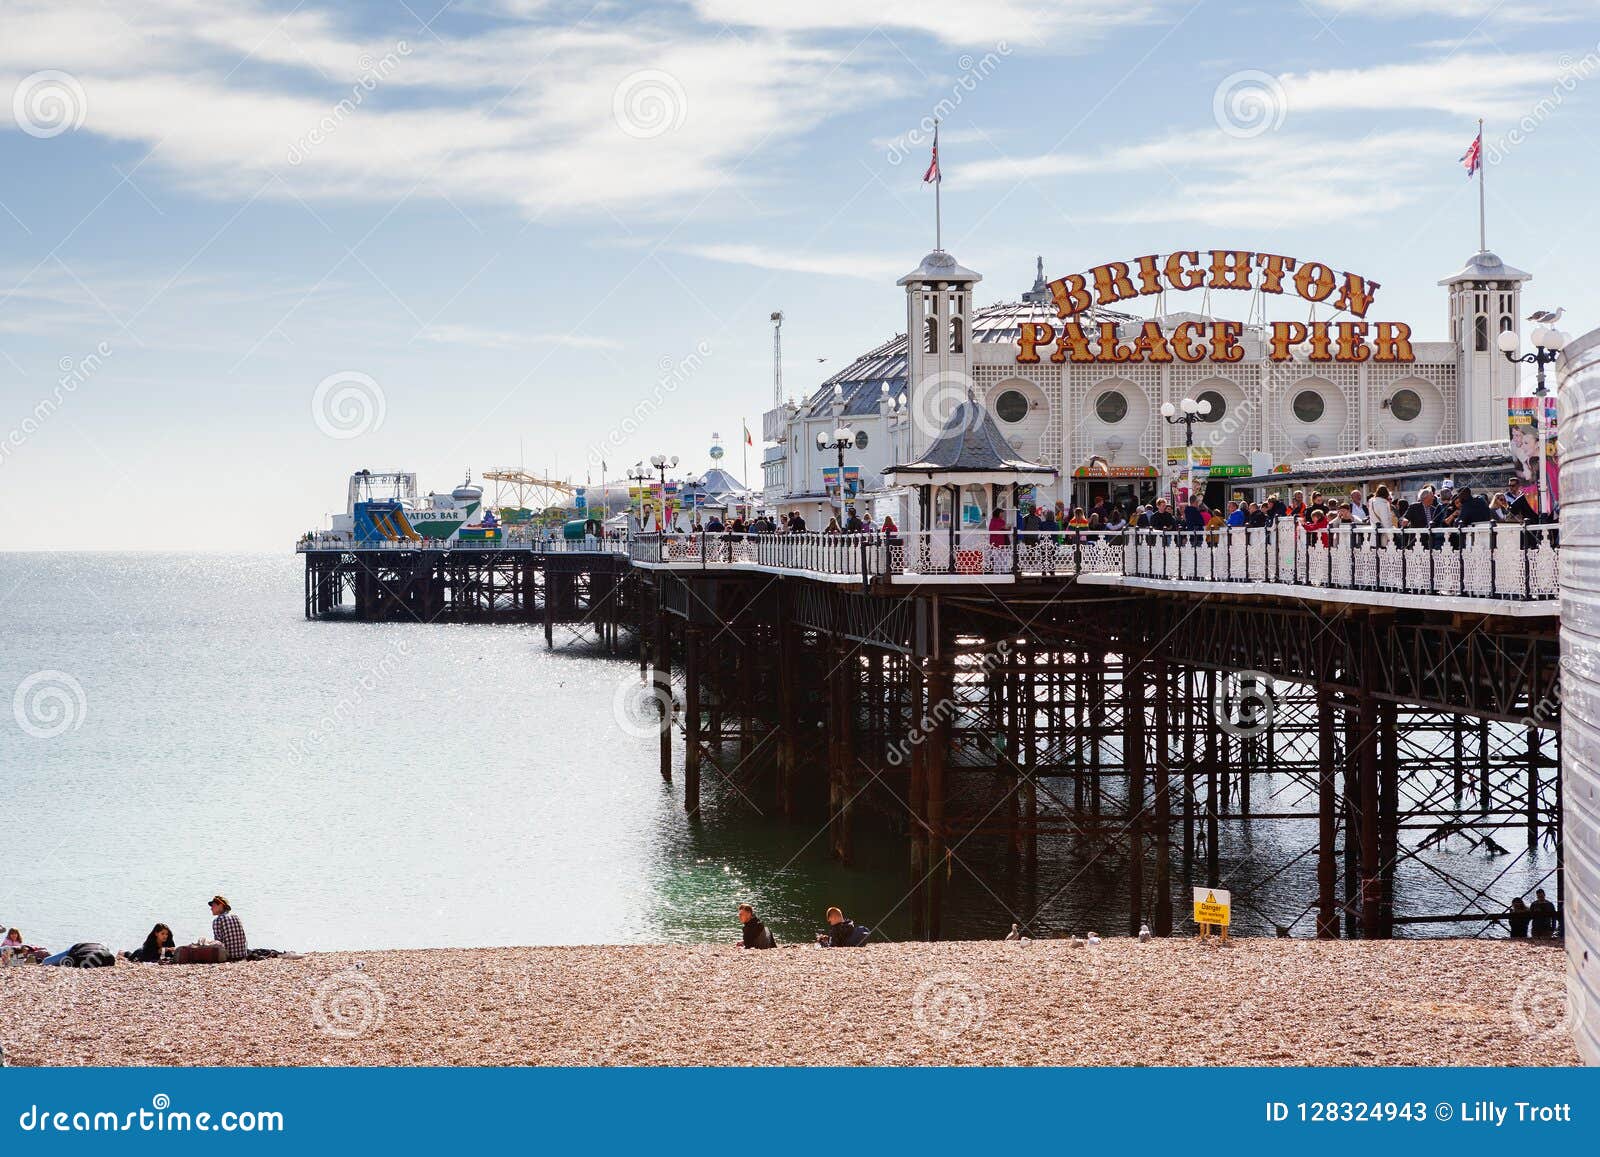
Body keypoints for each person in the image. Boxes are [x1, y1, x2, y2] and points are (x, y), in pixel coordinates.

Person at [209, 895, 249, 961]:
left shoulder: (217, 920)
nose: (211, 908)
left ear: (221, 905)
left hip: (229, 957)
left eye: (213, 905)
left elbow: (218, 942)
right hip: (242, 954)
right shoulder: (236, 917)